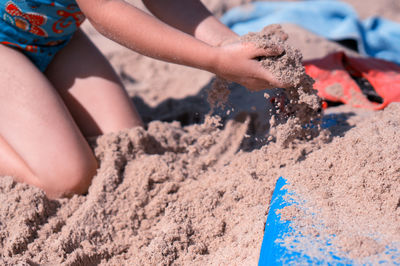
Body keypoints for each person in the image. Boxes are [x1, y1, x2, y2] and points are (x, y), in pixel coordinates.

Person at [0, 0, 286, 198]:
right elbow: (105, 11)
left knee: (124, 141)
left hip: (51, 35)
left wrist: (225, 43)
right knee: (67, 178)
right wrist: (214, 60)